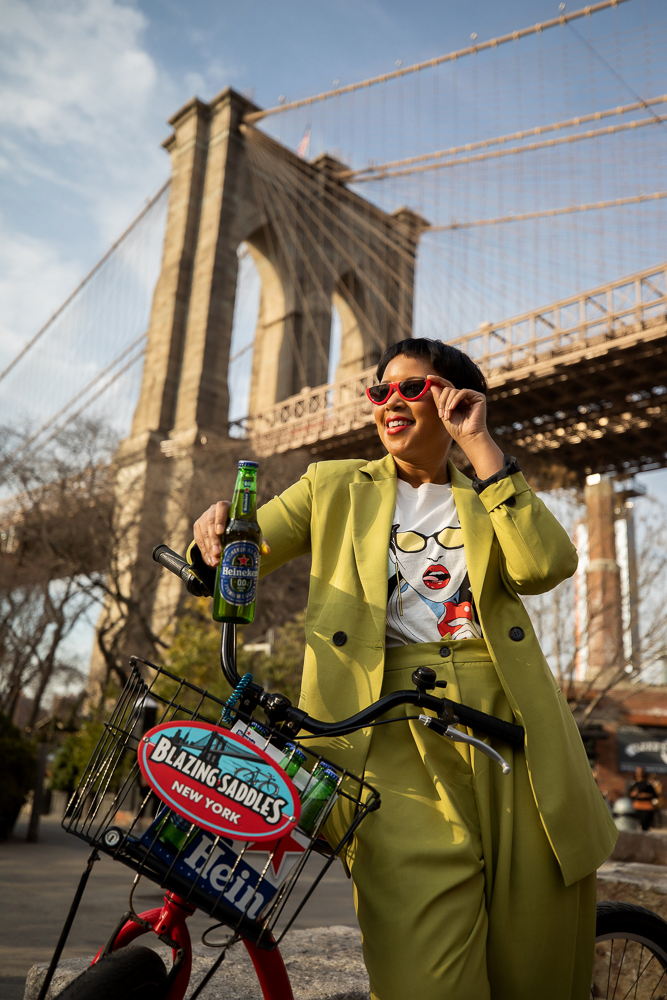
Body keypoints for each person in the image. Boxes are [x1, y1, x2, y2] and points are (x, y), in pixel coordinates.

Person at [191, 338, 618, 1000]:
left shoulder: (492, 494)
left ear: (453, 402)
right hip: (387, 734)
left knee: (533, 968)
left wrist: (480, 447)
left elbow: (544, 566)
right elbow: (235, 553)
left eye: (411, 389)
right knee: (426, 975)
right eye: (379, 390)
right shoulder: (330, 486)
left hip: (513, 736)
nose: (390, 401)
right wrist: (211, 535)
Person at [628, 766, 658, 831]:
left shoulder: (648, 784)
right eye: (637, 772)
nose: (639, 773)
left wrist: (643, 795)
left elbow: (655, 795)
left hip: (646, 807)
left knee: (645, 826)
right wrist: (633, 794)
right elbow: (629, 795)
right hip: (636, 806)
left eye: (641, 772)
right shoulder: (633, 784)